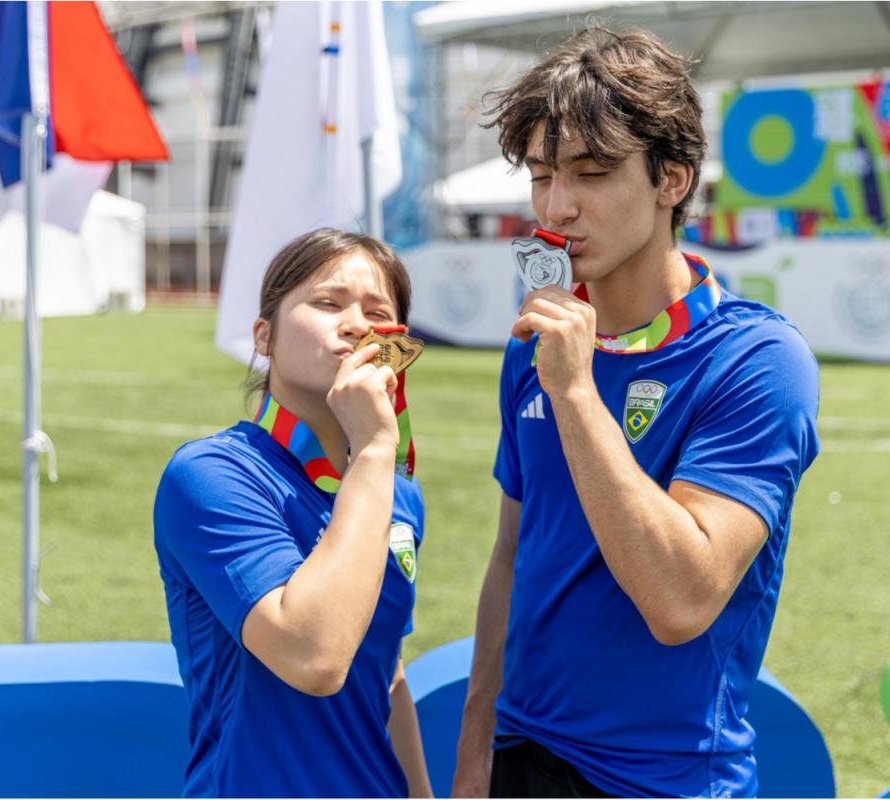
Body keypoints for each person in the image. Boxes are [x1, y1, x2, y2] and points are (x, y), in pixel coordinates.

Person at [452, 28, 820, 798]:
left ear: (672, 179)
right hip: (520, 755)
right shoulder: (539, 344)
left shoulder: (756, 359)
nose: (557, 207)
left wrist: (577, 394)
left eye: (592, 173)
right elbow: (511, 556)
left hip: (667, 779)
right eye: (542, 175)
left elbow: (681, 600)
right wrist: (475, 746)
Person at [154, 228, 432, 798]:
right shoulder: (210, 474)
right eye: (328, 303)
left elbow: (386, 673)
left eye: (378, 313)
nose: (355, 325)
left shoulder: (398, 493)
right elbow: (315, 657)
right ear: (265, 336)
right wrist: (374, 449)